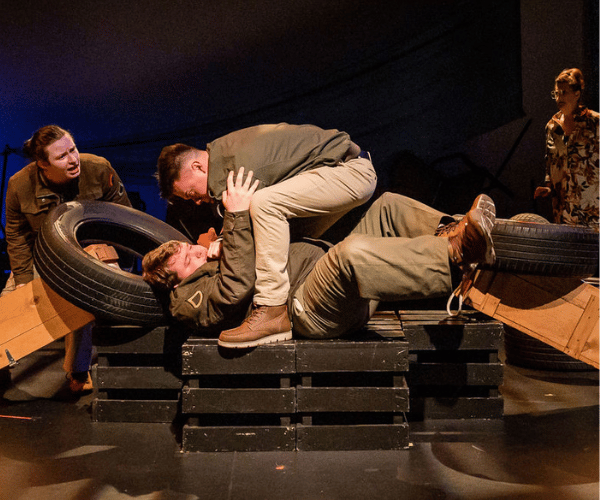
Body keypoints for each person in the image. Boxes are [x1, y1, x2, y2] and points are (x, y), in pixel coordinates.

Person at [142, 169, 496, 347]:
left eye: (189, 247)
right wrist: (234, 218)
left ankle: (456, 231)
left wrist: (222, 243)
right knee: (350, 254)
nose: (196, 251)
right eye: (188, 259)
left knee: (385, 206)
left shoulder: (210, 262)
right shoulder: (183, 300)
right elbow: (233, 291)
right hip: (308, 309)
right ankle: (457, 257)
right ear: (177, 281)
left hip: (331, 283)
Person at [155, 123, 377, 345]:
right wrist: (226, 236)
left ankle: (271, 308)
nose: (195, 201)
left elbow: (243, 247)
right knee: (276, 235)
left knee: (265, 205)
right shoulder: (224, 157)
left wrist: (228, 233)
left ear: (198, 167)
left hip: (349, 172)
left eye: (191, 193)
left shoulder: (239, 167)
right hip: (343, 168)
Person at [2, 125, 131, 392]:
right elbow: (16, 235)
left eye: (73, 149)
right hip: (44, 255)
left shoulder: (98, 169)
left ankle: (78, 372)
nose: (73, 160)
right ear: (42, 164)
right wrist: (24, 280)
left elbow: (126, 219)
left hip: (89, 252)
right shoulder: (19, 185)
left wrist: (112, 258)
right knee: (10, 305)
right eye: (61, 157)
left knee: (81, 299)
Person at [534, 68, 599, 228]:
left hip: (592, 208)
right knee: (568, 250)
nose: (559, 97)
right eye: (556, 93)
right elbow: (550, 163)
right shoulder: (552, 126)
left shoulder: (594, 122)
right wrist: (548, 188)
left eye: (563, 92)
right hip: (563, 209)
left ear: (576, 94)